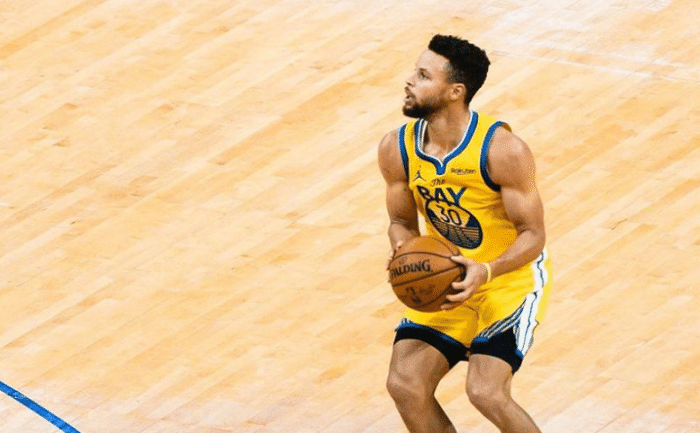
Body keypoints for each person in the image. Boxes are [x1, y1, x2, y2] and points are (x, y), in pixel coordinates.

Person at [377, 34, 553, 433]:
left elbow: (533, 235)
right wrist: (403, 247)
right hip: (447, 280)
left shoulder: (503, 150)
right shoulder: (396, 148)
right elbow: (401, 221)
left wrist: (485, 271)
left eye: (424, 76)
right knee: (406, 385)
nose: (410, 81)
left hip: (507, 282)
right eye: (415, 71)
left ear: (455, 91)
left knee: (486, 392)